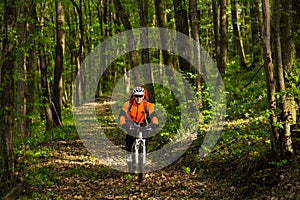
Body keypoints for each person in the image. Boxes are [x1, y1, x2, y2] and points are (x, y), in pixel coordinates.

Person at [118, 86, 159, 163]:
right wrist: (124, 125)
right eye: (136, 96)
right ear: (133, 96)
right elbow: (121, 116)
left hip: (142, 122)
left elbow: (153, 116)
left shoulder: (148, 105)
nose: (139, 98)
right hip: (130, 122)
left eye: (141, 96)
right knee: (129, 136)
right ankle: (129, 154)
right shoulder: (127, 104)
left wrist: (155, 124)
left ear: (144, 96)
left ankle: (144, 153)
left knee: (146, 137)